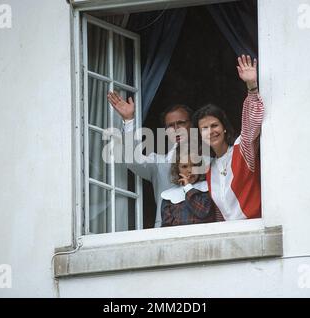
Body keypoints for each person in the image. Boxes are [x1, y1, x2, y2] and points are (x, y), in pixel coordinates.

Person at [192, 55, 264, 220]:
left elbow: (252, 123)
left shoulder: (242, 149)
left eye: (214, 125)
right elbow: (220, 213)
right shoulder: (209, 168)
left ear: (224, 128)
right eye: (204, 128)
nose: (210, 131)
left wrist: (252, 86)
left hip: (254, 228)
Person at [107, 91, 193, 227]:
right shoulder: (158, 162)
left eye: (181, 123)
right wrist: (129, 121)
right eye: (170, 126)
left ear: (192, 125)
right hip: (165, 232)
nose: (176, 129)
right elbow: (132, 160)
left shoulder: (209, 160)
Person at [161, 147, 224, 227]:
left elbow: (203, 212)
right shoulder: (169, 197)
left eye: (194, 165)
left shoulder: (206, 189)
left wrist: (188, 188)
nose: (190, 170)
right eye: (184, 166)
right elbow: (166, 227)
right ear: (177, 169)